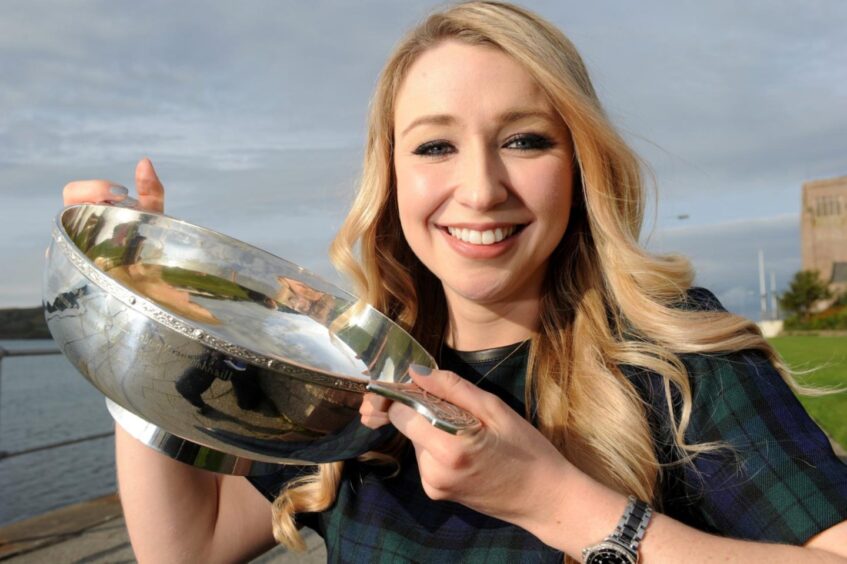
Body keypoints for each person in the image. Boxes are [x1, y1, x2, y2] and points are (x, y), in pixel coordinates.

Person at [62, 2, 847, 562]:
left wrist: (557, 502)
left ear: (580, 167)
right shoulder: (345, 373)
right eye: (435, 147)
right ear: (391, 174)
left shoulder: (670, 355)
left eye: (524, 140)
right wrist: (138, 316)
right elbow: (187, 547)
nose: (479, 189)